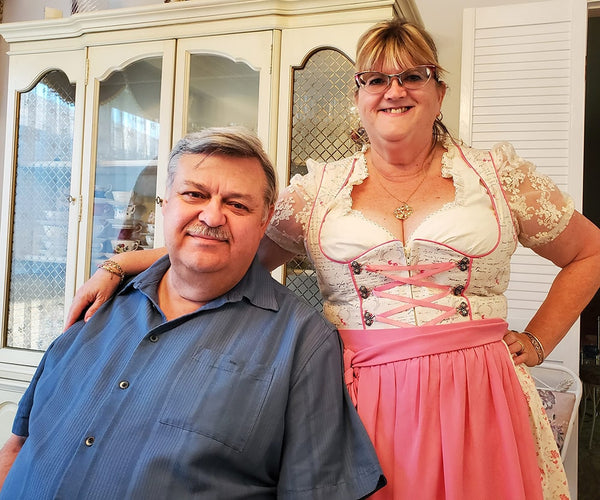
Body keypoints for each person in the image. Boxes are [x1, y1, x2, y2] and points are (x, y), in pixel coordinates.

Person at [65, 19, 600, 500]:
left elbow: (589, 252)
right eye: (376, 79)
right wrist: (124, 264)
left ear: (439, 92)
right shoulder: (319, 190)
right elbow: (229, 246)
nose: (394, 90)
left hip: (478, 399)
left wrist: (536, 340)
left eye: (413, 76)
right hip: (356, 401)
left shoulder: (498, 177)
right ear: (359, 97)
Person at [0, 127, 386, 499]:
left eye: (237, 204)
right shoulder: (98, 307)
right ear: (165, 205)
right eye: (194, 194)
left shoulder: (303, 341)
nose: (212, 217)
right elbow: (17, 447)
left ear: (265, 221)